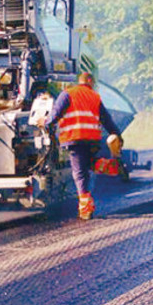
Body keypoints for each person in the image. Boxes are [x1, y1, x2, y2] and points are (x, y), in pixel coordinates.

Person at [40, 72, 122, 220]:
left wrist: (45, 123)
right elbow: (107, 119)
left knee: (79, 173)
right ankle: (111, 166)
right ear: (89, 81)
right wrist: (117, 135)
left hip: (75, 138)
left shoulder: (67, 94)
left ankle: (86, 208)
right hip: (92, 139)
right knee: (89, 164)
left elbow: (55, 114)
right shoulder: (95, 97)